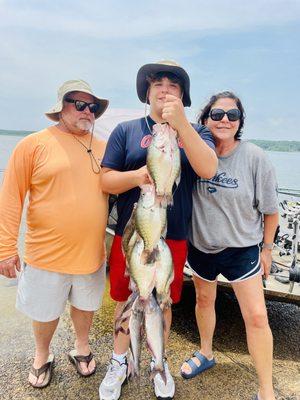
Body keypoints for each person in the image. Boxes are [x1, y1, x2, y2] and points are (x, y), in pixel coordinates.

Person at [99, 60, 218, 400]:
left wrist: (181, 125)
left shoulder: (197, 134)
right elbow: (105, 180)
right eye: (158, 84)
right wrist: (137, 176)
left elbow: (208, 168)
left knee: (161, 299)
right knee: (127, 299)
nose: (165, 89)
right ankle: (119, 360)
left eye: (174, 85)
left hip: (173, 236)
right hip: (133, 236)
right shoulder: (127, 130)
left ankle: (158, 362)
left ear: (183, 95)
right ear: (147, 93)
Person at [0, 79, 109, 388]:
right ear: (61, 108)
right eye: (79, 104)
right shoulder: (33, 144)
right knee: (45, 309)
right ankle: (41, 354)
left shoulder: (104, 147)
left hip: (91, 251)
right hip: (45, 252)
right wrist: (5, 247)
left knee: (86, 305)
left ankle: (82, 347)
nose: (87, 111)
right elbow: (10, 197)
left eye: (93, 107)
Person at [180, 91, 278, 400]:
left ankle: (266, 390)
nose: (224, 120)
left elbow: (271, 211)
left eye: (232, 115)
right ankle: (206, 352)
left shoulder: (254, 157)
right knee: (204, 302)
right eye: (217, 114)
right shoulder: (193, 153)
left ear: (240, 122)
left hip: (242, 250)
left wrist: (267, 249)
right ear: (205, 119)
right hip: (202, 247)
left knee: (257, 317)